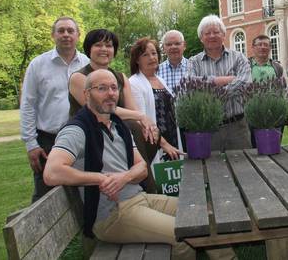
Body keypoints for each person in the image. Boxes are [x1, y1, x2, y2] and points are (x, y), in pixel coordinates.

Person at [43, 70, 234, 260]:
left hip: (139, 199)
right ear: (86, 94)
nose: (110, 93)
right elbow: (52, 173)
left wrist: (124, 177)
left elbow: (142, 169)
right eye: (101, 88)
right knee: (184, 234)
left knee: (203, 212)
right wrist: (100, 178)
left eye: (113, 88)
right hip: (113, 215)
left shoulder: (118, 126)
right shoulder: (77, 130)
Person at [68, 29, 155, 188]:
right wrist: (141, 117)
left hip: (118, 133)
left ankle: (134, 181)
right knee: (134, 127)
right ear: (89, 49)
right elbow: (107, 109)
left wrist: (149, 127)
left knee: (149, 132)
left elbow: (132, 110)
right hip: (92, 135)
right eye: (98, 45)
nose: (103, 49)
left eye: (108, 45)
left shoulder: (121, 77)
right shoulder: (79, 78)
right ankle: (148, 188)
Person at [20, 16, 89, 203]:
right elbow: (27, 105)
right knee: (45, 195)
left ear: (78, 35)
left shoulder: (87, 64)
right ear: (53, 35)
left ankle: (85, 230)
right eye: (61, 31)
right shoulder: (38, 65)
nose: (66, 34)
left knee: (84, 190)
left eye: (70, 30)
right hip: (48, 141)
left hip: (82, 138)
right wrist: (31, 144)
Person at [186, 15, 252, 151]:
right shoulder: (193, 61)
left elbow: (245, 83)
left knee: (244, 168)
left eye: (216, 32)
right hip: (207, 128)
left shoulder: (239, 57)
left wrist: (213, 92)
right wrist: (220, 80)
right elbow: (190, 85)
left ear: (223, 35)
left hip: (237, 127)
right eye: (207, 33)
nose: (212, 36)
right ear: (201, 38)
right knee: (211, 169)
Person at [129, 37, 183, 192]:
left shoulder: (160, 79)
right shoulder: (134, 83)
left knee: (175, 189)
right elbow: (142, 120)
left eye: (154, 53)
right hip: (156, 146)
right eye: (145, 55)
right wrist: (164, 144)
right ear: (137, 60)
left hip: (171, 141)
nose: (152, 57)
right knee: (162, 189)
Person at [157, 30, 189, 94]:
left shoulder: (194, 67)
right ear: (163, 48)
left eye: (177, 43)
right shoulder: (156, 71)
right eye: (169, 44)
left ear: (184, 45)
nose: (173, 47)